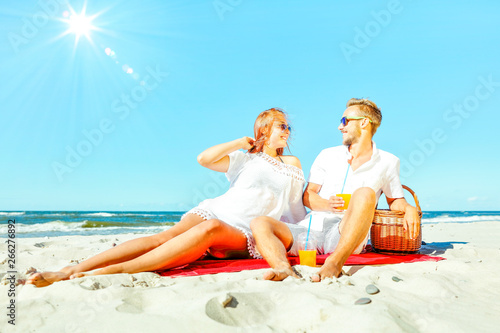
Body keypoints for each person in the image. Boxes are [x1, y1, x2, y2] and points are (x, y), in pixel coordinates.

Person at [27, 108, 306, 287]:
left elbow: (298, 203)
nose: (287, 131)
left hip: (244, 229)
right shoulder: (245, 159)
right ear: (264, 130)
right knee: (162, 237)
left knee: (210, 229)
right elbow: (203, 159)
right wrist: (238, 143)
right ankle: (72, 268)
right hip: (218, 209)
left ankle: (108, 272)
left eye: (287, 127)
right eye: (281, 126)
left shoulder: (292, 164)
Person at [251, 98, 420, 281]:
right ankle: (283, 268)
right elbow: (308, 196)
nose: (340, 127)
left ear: (364, 122)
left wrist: (409, 208)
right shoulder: (327, 155)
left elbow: (395, 200)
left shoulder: (388, 161)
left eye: (345, 121)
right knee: (260, 223)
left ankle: (334, 263)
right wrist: (326, 204)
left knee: (365, 193)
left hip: (344, 233)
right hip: (309, 231)